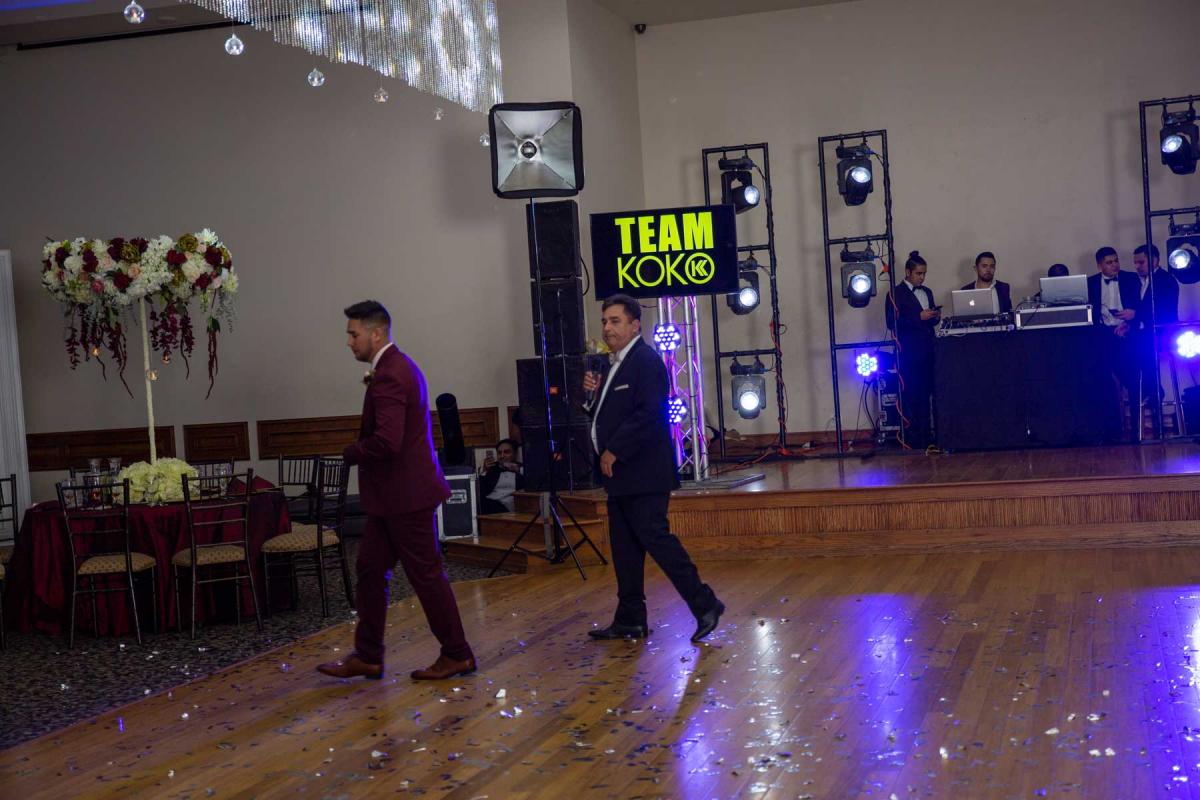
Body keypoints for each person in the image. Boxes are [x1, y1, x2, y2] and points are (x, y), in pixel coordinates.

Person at [318, 300, 476, 681]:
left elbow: (388, 442)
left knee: (426, 576)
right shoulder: (397, 367)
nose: (348, 342)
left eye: (353, 334)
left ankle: (457, 653)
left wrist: (352, 452)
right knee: (370, 569)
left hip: (406, 498)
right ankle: (368, 655)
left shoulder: (390, 374)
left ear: (376, 334)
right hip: (393, 499)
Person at [581, 294, 723, 642]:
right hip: (619, 476)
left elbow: (648, 414)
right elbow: (605, 414)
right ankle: (630, 618)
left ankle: (705, 603)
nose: (608, 328)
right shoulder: (612, 364)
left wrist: (614, 450)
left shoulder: (646, 362)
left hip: (643, 472)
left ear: (635, 325)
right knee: (624, 549)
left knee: (658, 542)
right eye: (605, 321)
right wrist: (590, 397)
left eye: (615, 321)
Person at [885, 251, 939, 449]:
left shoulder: (928, 292)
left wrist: (934, 316)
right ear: (908, 272)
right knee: (911, 393)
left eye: (924, 274)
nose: (922, 277)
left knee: (927, 393)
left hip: (929, 349)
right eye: (918, 273)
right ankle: (912, 437)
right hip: (908, 352)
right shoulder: (895, 293)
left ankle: (927, 434)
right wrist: (918, 317)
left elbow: (931, 320)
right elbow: (891, 322)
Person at [1086, 247, 1141, 432]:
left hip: (1127, 334)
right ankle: (1111, 428)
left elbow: (1141, 306)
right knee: (1103, 380)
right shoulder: (1090, 283)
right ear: (1099, 265)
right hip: (1103, 335)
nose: (1114, 265)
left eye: (1116, 260)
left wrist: (1130, 322)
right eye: (1109, 262)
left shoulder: (1131, 278)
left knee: (1131, 379)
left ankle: (1136, 429)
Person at [1134, 243, 1179, 429]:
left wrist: (1135, 316)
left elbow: (1161, 310)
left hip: (1161, 334)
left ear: (1154, 260)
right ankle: (1151, 393)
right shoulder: (1143, 281)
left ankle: (1153, 394)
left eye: (1141, 262)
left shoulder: (1166, 280)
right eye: (1136, 263)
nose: (1137, 266)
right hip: (1148, 334)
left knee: (1137, 358)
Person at [478, 438, 523, 514]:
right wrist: (484, 471)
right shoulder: (492, 468)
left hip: (508, 506)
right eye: (499, 453)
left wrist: (518, 470)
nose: (502, 456)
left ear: (515, 454)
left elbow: (532, 482)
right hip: (489, 503)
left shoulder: (521, 469)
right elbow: (479, 490)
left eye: (506, 452)